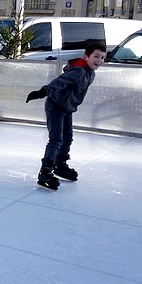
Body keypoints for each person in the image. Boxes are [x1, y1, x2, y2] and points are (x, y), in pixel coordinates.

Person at [25, 41, 107, 191]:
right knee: (56, 139)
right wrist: (43, 91)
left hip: (67, 108)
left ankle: (60, 165)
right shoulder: (79, 71)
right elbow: (60, 82)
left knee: (67, 138)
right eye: (96, 56)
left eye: (102, 58)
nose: (99, 60)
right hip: (55, 105)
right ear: (86, 57)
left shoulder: (90, 73)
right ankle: (45, 172)